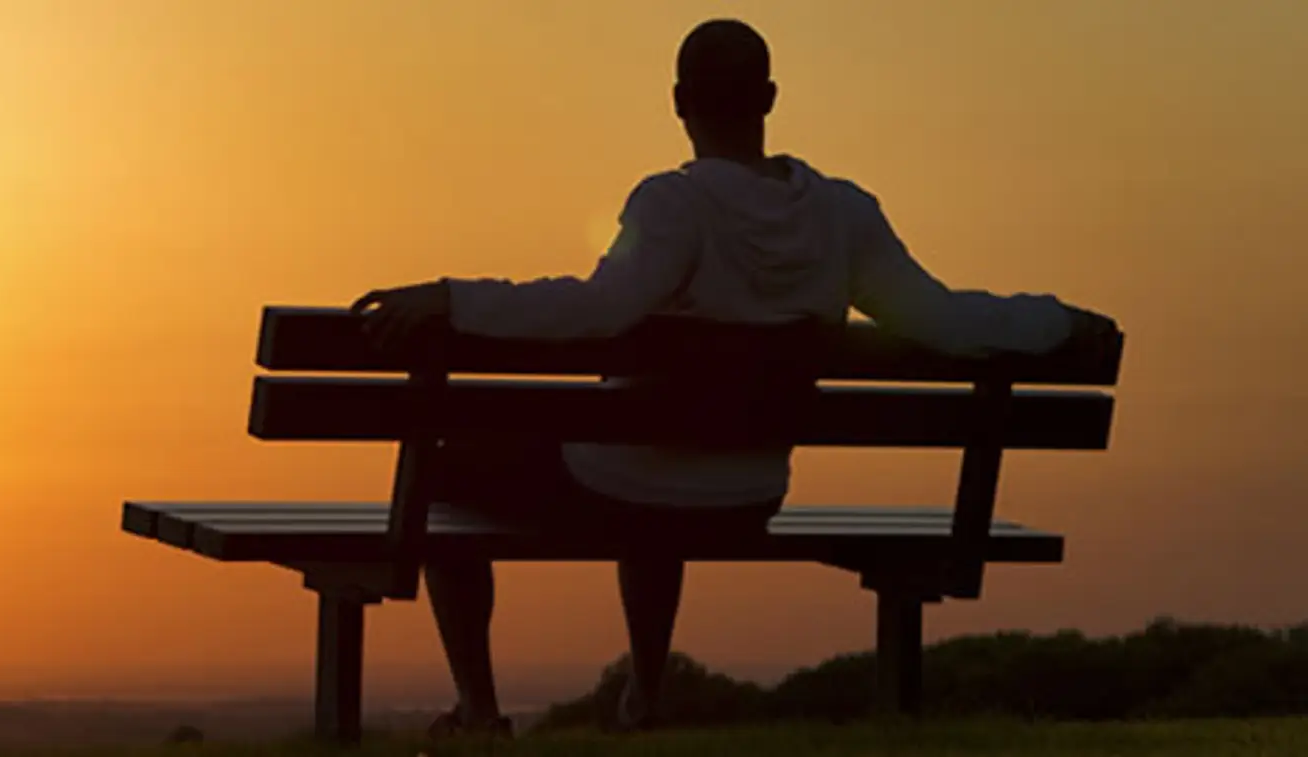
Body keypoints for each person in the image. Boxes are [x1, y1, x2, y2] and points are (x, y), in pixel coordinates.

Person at [349, 18, 1120, 737]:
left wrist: (449, 298)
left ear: (680, 102)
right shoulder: (844, 215)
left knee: (448, 473)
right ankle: (645, 692)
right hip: (750, 493)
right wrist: (1059, 321)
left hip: (624, 485)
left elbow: (597, 307)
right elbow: (947, 320)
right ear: (770, 99)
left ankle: (479, 712)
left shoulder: (674, 203)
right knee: (661, 454)